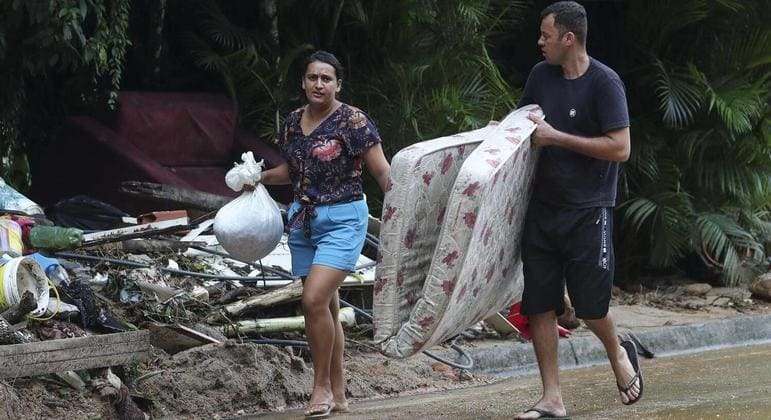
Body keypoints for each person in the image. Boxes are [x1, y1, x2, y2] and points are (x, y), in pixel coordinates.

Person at [514, 2, 641, 419]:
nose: (540, 42)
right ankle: (552, 397)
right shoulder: (540, 76)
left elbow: (620, 148)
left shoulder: (605, 83)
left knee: (590, 306)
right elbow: (524, 126)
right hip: (542, 208)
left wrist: (557, 137)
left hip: (589, 210)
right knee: (540, 303)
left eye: (545, 35)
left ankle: (618, 351)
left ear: (568, 38)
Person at [260, 50, 390, 418]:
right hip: (303, 221)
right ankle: (339, 392)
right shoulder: (290, 122)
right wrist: (258, 178)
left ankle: (318, 389)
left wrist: (404, 199)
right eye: (313, 78)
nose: (319, 84)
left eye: (327, 78)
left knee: (313, 300)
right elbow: (292, 170)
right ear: (303, 82)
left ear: (338, 84)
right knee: (327, 307)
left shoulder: (354, 121)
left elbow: (381, 172)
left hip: (344, 218)